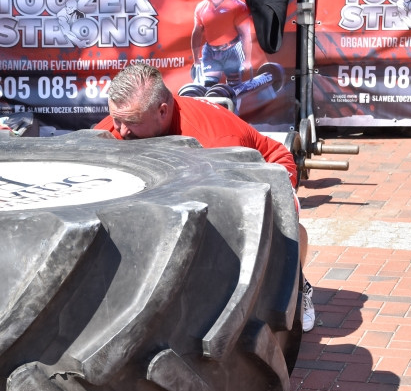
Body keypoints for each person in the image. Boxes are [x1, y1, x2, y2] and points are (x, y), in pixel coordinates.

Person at [94, 62, 315, 332]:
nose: (121, 130)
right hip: (192, 174)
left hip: (266, 172)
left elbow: (231, 215)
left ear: (162, 111)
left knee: (277, 231)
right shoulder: (124, 121)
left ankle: (299, 284)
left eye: (130, 122)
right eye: (116, 119)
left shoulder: (216, 141)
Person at [189, 0, 254, 90]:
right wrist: (196, 59)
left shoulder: (237, 6)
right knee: (208, 86)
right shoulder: (201, 7)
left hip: (232, 51)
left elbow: (245, 34)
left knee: (234, 88)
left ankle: (232, 107)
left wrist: (247, 60)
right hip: (210, 52)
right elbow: (196, 34)